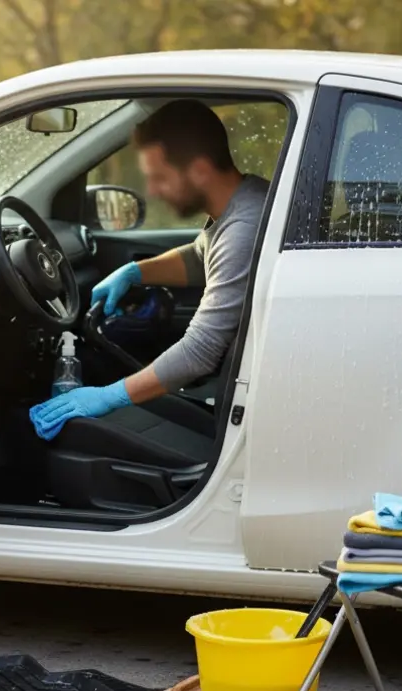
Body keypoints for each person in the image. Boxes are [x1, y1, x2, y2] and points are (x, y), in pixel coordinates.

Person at [30, 99, 269, 439]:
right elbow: (202, 256)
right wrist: (134, 272)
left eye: (159, 178)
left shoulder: (245, 225)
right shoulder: (244, 199)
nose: (153, 191)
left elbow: (200, 352)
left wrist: (107, 397)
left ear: (200, 170)